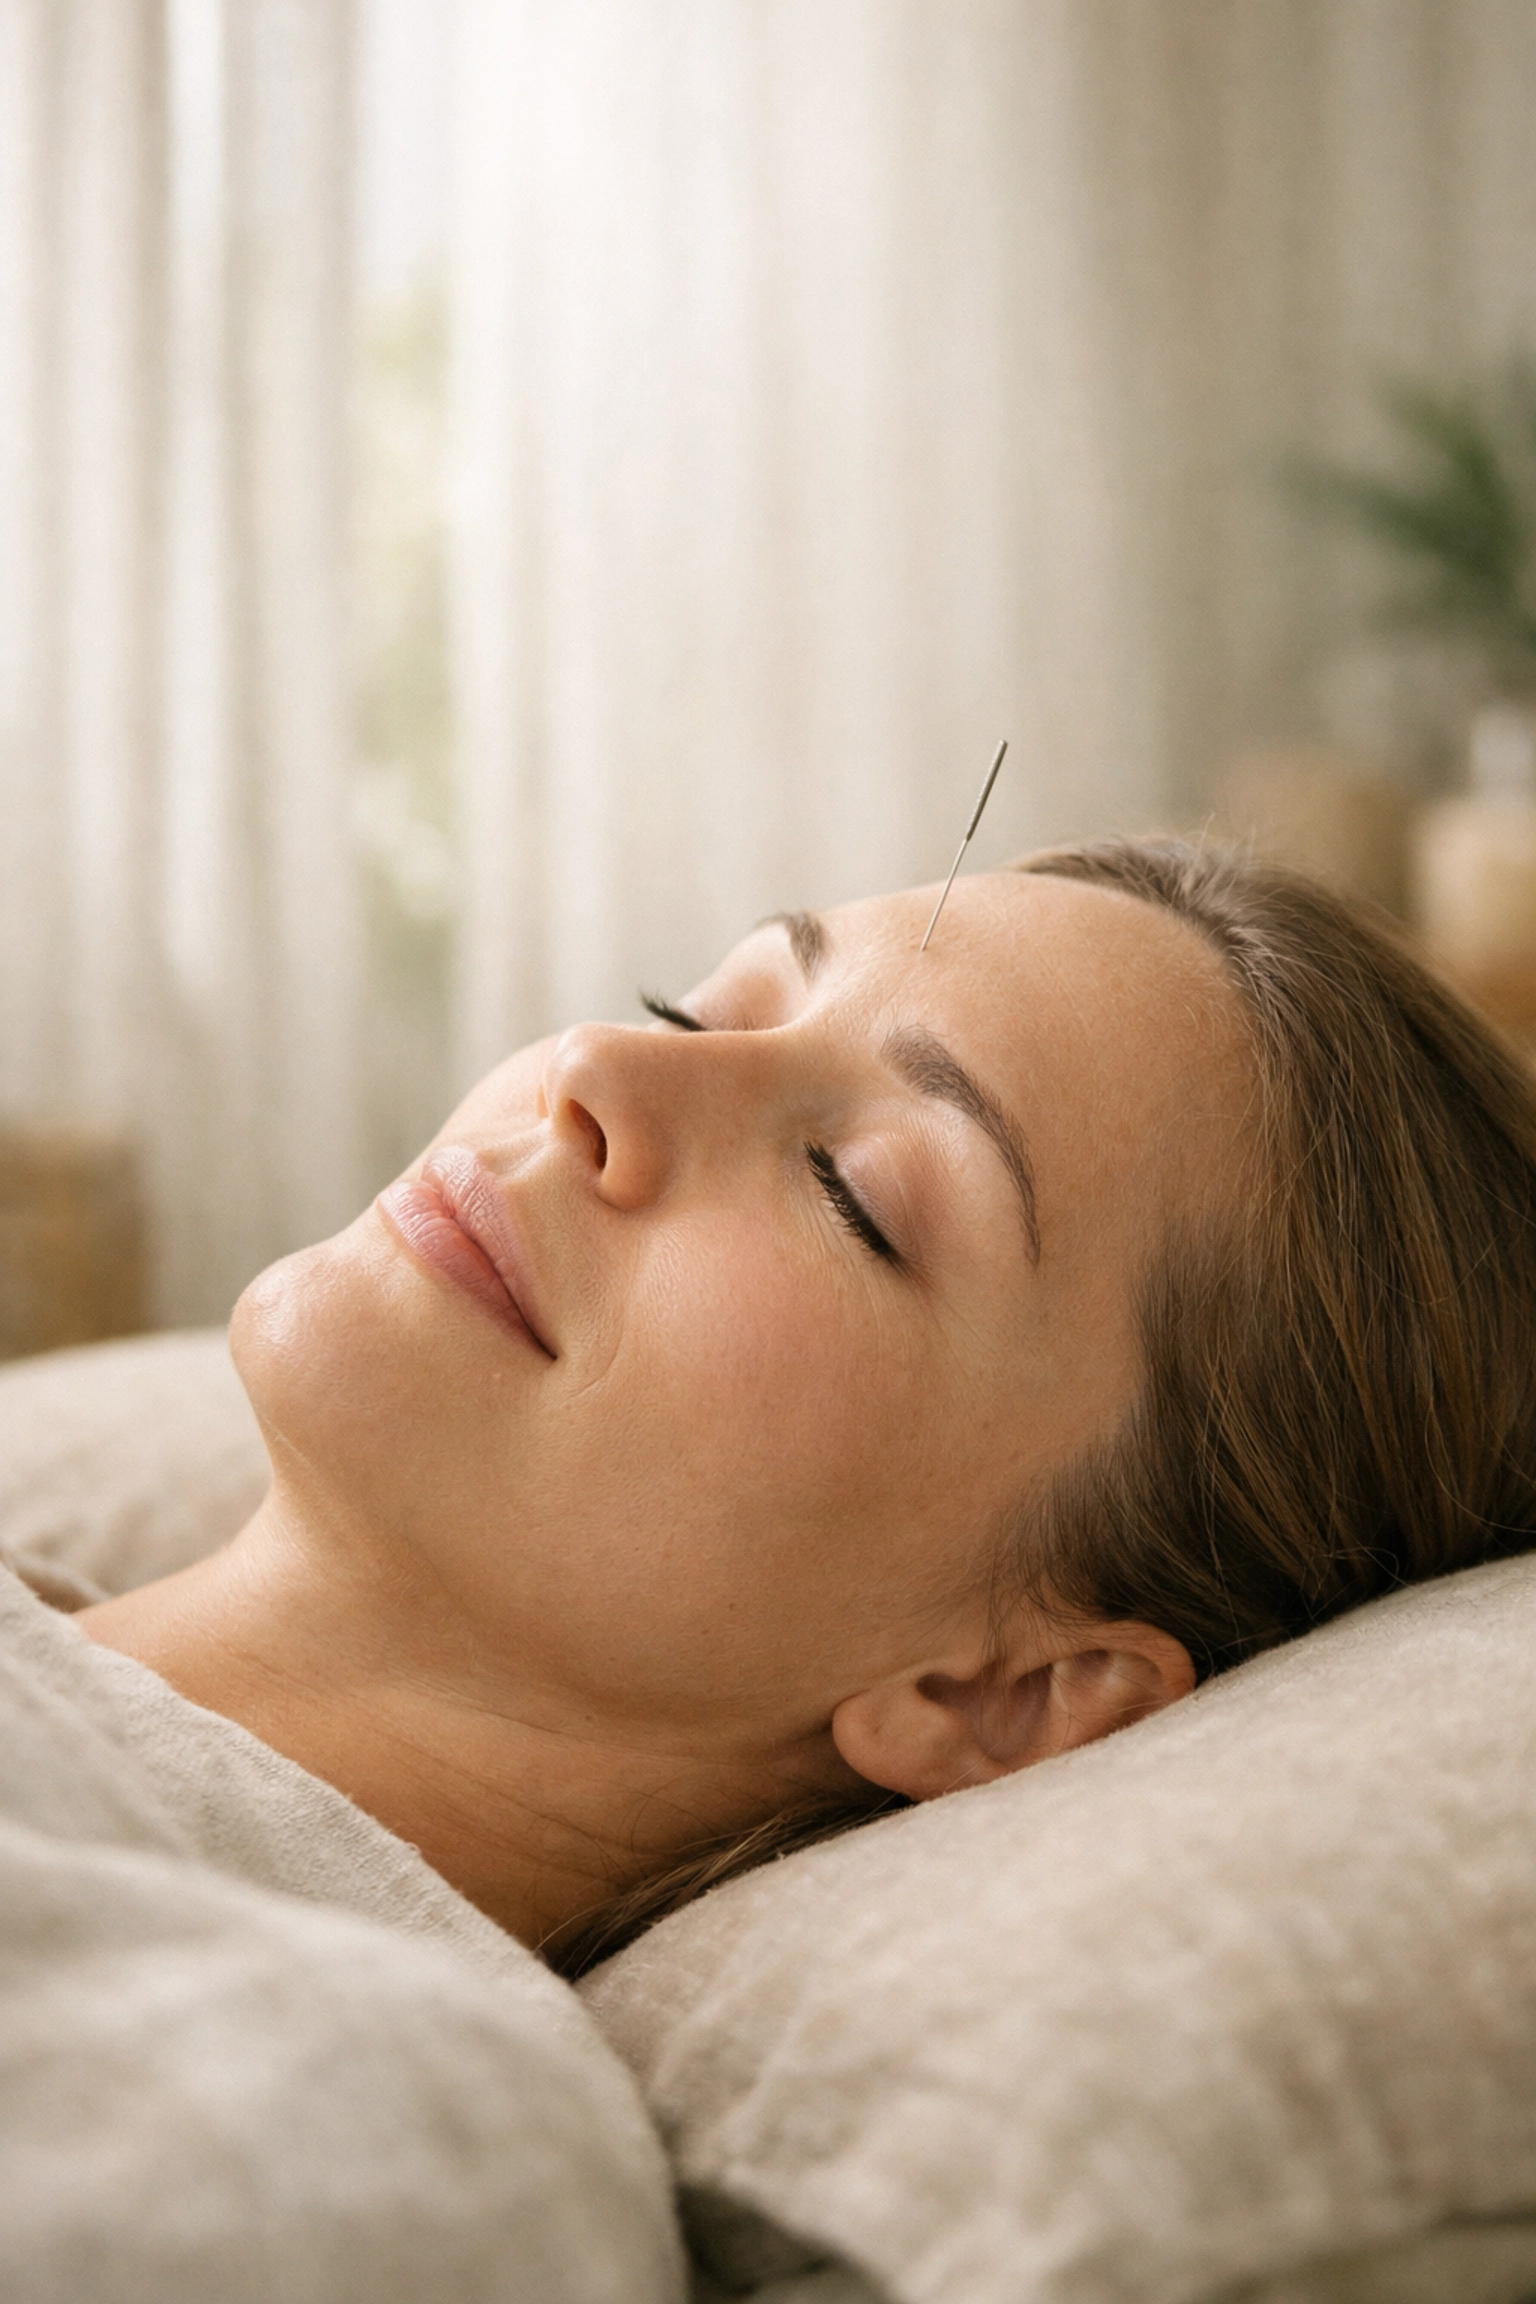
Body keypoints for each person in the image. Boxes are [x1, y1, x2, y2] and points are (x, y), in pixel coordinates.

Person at [62, 838, 1536, 1980]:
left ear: (1001, 1694)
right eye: (695, 1011)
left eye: (855, 1196)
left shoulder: (301, 2097)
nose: (597, 1066)